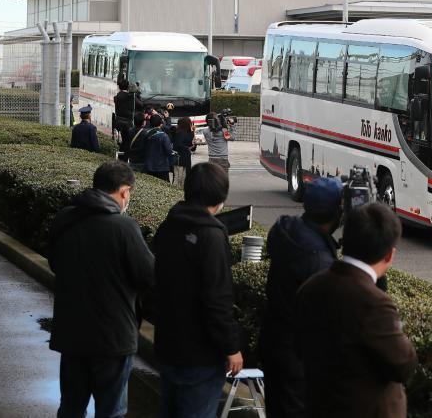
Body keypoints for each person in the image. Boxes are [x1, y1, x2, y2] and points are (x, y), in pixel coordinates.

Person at [48, 161, 154, 418]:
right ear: (124, 191)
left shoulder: (65, 219)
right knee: (111, 410)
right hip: (112, 337)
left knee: (71, 406)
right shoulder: (124, 227)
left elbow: (54, 263)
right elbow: (148, 276)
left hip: (71, 333)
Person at [295, 203, 418, 418]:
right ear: (389, 255)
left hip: (318, 405)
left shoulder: (311, 286)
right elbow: (402, 365)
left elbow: (298, 346)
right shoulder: (374, 304)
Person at [153, 162, 243, 418]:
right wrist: (231, 346)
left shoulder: (169, 226)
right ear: (220, 196)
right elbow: (217, 299)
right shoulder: (211, 236)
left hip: (169, 345)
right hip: (200, 354)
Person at [258, 177, 343, 417]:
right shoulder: (317, 260)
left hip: (275, 343)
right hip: (297, 359)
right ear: (336, 213)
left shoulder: (288, 230)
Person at [143, 114, 174, 181]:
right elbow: (169, 151)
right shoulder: (163, 135)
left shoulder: (145, 134)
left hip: (148, 166)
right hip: (162, 167)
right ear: (161, 123)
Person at [172, 117, 196, 187]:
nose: (191, 124)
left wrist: (193, 132)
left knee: (184, 178)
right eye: (190, 123)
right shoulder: (179, 133)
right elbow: (178, 145)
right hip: (180, 158)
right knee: (178, 177)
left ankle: (182, 192)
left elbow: (192, 145)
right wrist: (188, 148)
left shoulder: (188, 133)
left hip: (186, 158)